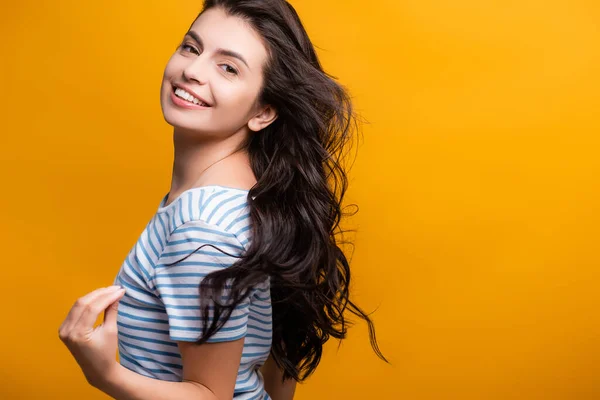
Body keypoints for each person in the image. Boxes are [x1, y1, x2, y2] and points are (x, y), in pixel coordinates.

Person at [58, 0, 386, 399]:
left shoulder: (203, 227)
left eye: (228, 67)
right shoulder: (253, 196)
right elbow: (283, 353)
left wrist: (104, 374)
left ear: (264, 111)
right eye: (191, 48)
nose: (192, 71)